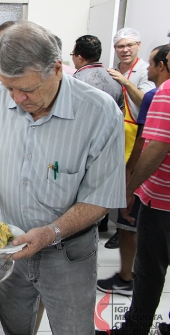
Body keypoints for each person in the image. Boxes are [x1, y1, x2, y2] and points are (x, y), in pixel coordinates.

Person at [0, 21, 125, 334]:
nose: (16, 99)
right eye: (9, 87)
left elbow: (101, 196)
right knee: (12, 327)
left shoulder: (99, 112)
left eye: (27, 90)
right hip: (6, 246)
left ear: (56, 69)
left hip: (67, 253)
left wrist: (52, 232)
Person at [96, 35, 170, 335]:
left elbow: (155, 146)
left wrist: (131, 187)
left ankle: (134, 331)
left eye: (151, 63)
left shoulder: (164, 93)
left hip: (161, 200)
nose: (148, 70)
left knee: (150, 271)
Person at [103, 28, 155, 248]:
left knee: (128, 178)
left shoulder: (145, 70)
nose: (124, 50)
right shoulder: (112, 69)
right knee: (107, 176)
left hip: (136, 133)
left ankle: (125, 228)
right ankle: (102, 220)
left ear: (138, 45)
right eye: (120, 46)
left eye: (129, 45)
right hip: (115, 130)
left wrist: (125, 81)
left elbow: (146, 102)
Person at [71, 35, 124, 108]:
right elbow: (121, 111)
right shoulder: (115, 77)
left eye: (72, 54)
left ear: (80, 58)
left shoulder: (76, 80)